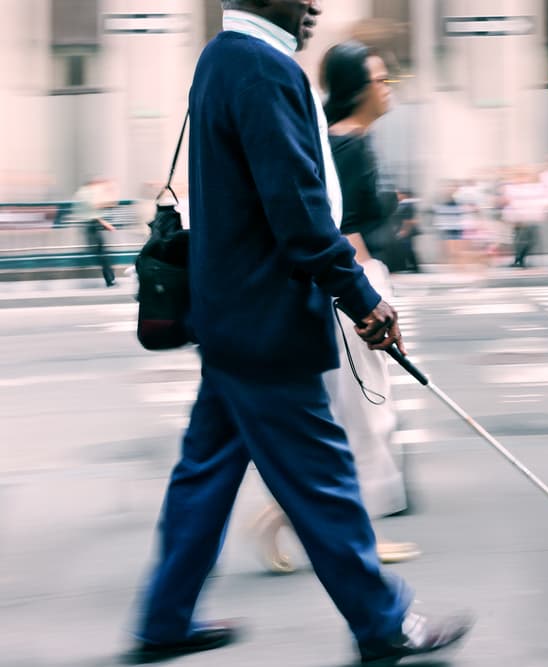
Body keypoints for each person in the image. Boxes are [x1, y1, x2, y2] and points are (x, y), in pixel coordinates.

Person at [121, 2, 472, 664]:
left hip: (229, 313)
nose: (312, 6)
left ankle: (165, 616)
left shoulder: (222, 58)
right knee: (322, 475)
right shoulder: (260, 66)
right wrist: (360, 295)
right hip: (266, 318)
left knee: (205, 471)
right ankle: (382, 621)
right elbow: (299, 208)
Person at [255, 40, 419, 571]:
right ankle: (346, 535)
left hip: (349, 289)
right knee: (365, 415)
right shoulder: (349, 146)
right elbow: (341, 229)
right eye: (379, 78)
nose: (387, 85)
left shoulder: (344, 142)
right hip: (354, 291)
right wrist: (370, 296)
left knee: (352, 416)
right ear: (356, 90)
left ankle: (291, 513)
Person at [73, 177, 117, 286]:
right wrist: (105, 223)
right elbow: (95, 209)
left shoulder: (81, 193)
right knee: (102, 254)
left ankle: (110, 278)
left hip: (88, 226)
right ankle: (110, 279)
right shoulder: (88, 193)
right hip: (93, 226)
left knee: (100, 253)